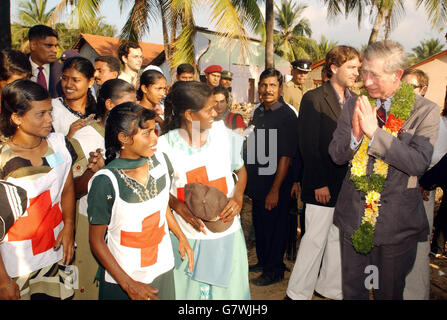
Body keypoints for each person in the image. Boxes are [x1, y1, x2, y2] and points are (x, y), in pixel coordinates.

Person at [328, 40, 440, 300]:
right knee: (353, 291)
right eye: (364, 72)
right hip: (354, 219)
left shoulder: (425, 111)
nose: (366, 82)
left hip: (395, 227)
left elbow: (418, 162)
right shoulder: (353, 104)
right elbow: (335, 154)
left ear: (397, 74)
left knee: (386, 293)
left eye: (374, 75)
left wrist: (374, 133)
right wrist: (355, 138)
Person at [87, 102, 193, 300]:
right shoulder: (106, 181)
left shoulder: (161, 161)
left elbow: (161, 206)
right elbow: (96, 240)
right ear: (124, 138)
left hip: (161, 267)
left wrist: (180, 236)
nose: (155, 138)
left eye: (155, 131)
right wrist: (128, 284)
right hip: (124, 277)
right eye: (147, 133)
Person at [157, 81, 250, 300]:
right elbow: (159, 190)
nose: (215, 113)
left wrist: (237, 196)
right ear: (189, 114)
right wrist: (176, 205)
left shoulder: (222, 134)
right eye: (208, 109)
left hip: (226, 235)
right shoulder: (163, 146)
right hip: (187, 236)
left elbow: (241, 169)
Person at [286, 46, 361, 300]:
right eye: (351, 67)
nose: (356, 72)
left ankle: (328, 288)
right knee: (314, 240)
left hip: (347, 186)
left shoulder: (355, 100)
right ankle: (296, 293)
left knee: (336, 239)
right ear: (333, 68)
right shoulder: (313, 98)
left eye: (358, 68)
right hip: (321, 185)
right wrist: (318, 183)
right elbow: (308, 145)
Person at [0, 80, 76, 300]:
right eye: (40, 114)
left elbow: (67, 186)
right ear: (17, 118)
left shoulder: (60, 145)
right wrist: (4, 282)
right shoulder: (4, 160)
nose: (50, 119)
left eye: (50, 112)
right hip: (17, 266)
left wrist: (69, 225)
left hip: (56, 254)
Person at [69, 79, 136, 300]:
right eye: (128, 103)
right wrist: (93, 172)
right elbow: (74, 190)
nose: (135, 109)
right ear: (109, 104)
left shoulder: (132, 135)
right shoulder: (86, 137)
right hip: (92, 223)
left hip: (122, 223)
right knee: (91, 286)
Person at [245, 68, 299, 286]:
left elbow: (286, 157)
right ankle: (263, 261)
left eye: (272, 85)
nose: (267, 90)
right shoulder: (259, 112)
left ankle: (274, 270)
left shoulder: (286, 115)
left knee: (275, 228)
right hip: (258, 182)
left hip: (275, 183)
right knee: (261, 225)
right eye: (264, 85)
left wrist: (275, 190)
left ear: (280, 88)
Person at [402, 69, 447, 299]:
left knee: (418, 248)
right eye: (403, 86)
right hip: (397, 193)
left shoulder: (433, 117)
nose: (406, 91)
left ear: (424, 89)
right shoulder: (397, 114)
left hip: (420, 192)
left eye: (412, 87)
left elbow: (437, 157)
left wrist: (424, 182)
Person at [51, 56, 97, 138]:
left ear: (90, 82)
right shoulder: (52, 108)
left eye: (76, 80)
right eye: (64, 79)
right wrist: (68, 137)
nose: (68, 85)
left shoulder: (99, 111)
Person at [28, 25, 59, 95]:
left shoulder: (62, 69)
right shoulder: (18, 68)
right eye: (49, 45)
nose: (55, 50)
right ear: (33, 45)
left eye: (55, 46)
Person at [137, 69, 168, 134]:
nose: (162, 93)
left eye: (164, 89)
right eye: (158, 89)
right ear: (144, 89)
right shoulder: (135, 114)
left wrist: (161, 122)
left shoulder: (159, 114)